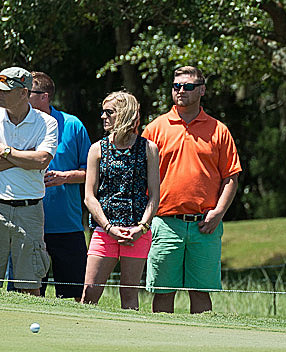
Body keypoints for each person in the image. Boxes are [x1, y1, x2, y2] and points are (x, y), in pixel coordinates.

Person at [143, 66, 241, 314]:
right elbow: (140, 176)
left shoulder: (218, 130)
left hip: (205, 224)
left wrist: (218, 212)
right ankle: (163, 347)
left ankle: (204, 347)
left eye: (188, 86)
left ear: (202, 90)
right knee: (163, 292)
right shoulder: (155, 129)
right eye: (176, 86)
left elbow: (231, 177)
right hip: (165, 222)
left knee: (201, 292)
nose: (181, 91)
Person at [0, 67, 57, 295]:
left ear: (23, 93)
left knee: (30, 285)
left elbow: (41, 160)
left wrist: (5, 151)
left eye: (5, 90)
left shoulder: (47, 123)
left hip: (29, 210)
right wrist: (22, 156)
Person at [82, 91, 159, 310]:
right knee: (90, 293)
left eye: (109, 112)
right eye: (103, 112)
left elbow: (154, 195)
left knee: (129, 296)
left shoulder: (148, 149)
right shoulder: (97, 149)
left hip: (137, 232)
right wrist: (108, 227)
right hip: (104, 230)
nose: (103, 117)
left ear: (124, 115)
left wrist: (142, 227)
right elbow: (89, 196)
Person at [29, 71, 91, 301]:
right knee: (29, 294)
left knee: (74, 296)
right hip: (30, 224)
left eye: (28, 92)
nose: (22, 96)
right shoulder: (18, 125)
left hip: (68, 226)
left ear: (44, 96)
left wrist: (65, 177)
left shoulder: (73, 125)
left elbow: (91, 172)